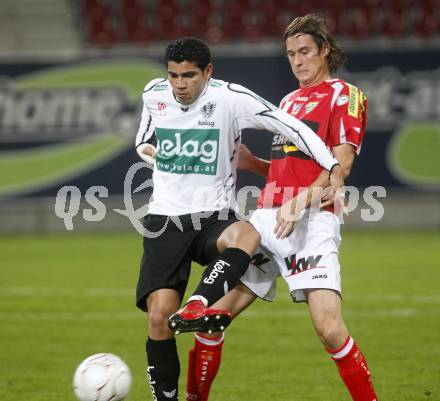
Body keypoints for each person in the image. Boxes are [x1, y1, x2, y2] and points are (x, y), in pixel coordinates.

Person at [134, 37, 343, 401]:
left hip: (213, 215)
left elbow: (288, 124)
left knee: (246, 234)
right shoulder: (154, 93)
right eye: (173, 76)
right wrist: (154, 155)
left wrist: (331, 163)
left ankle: (200, 301)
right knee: (159, 320)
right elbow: (142, 139)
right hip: (164, 220)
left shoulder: (230, 98)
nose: (179, 85)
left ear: (208, 72)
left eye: (188, 76)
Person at [182, 15, 378, 401]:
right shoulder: (288, 101)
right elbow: (290, 168)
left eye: (305, 51)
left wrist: (300, 202)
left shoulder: (346, 96)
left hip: (312, 221)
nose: (298, 61)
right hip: (268, 219)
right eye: (290, 54)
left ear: (324, 49)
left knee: (329, 328)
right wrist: (254, 164)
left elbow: (341, 166)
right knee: (211, 320)